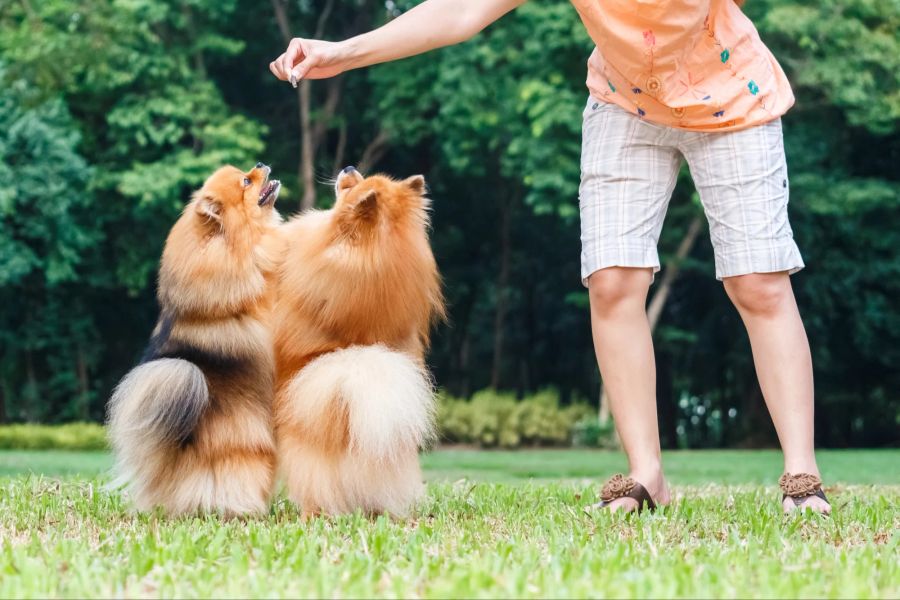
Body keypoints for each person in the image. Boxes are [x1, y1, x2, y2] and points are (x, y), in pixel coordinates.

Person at [269, 0, 831, 514]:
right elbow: (460, 12)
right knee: (611, 281)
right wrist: (341, 53)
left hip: (733, 96)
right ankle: (645, 475)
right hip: (625, 102)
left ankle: (802, 474)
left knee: (757, 281)